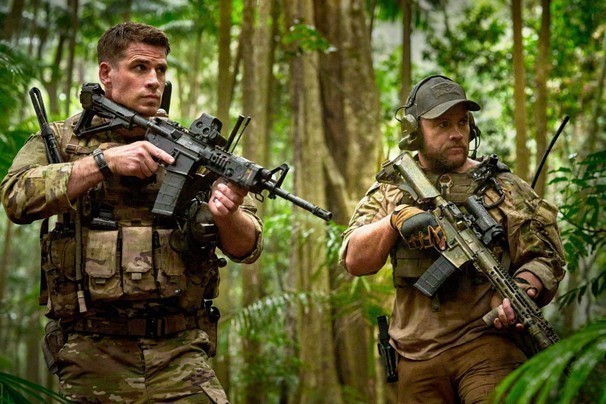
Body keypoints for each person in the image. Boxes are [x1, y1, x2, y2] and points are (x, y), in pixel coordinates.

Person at [1, 22, 263, 403]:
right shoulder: (63, 138)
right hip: (92, 354)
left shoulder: (195, 150)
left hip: (181, 351)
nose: (154, 81)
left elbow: (247, 247)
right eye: (140, 67)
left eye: (160, 70)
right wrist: (103, 163)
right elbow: (15, 197)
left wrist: (227, 214)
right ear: (106, 73)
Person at [339, 75, 566, 402]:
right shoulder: (392, 188)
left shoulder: (501, 186)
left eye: (462, 122)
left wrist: (524, 288)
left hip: (486, 344)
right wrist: (394, 220)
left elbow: (545, 256)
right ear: (415, 132)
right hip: (416, 355)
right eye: (442, 124)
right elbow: (355, 260)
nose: (457, 133)